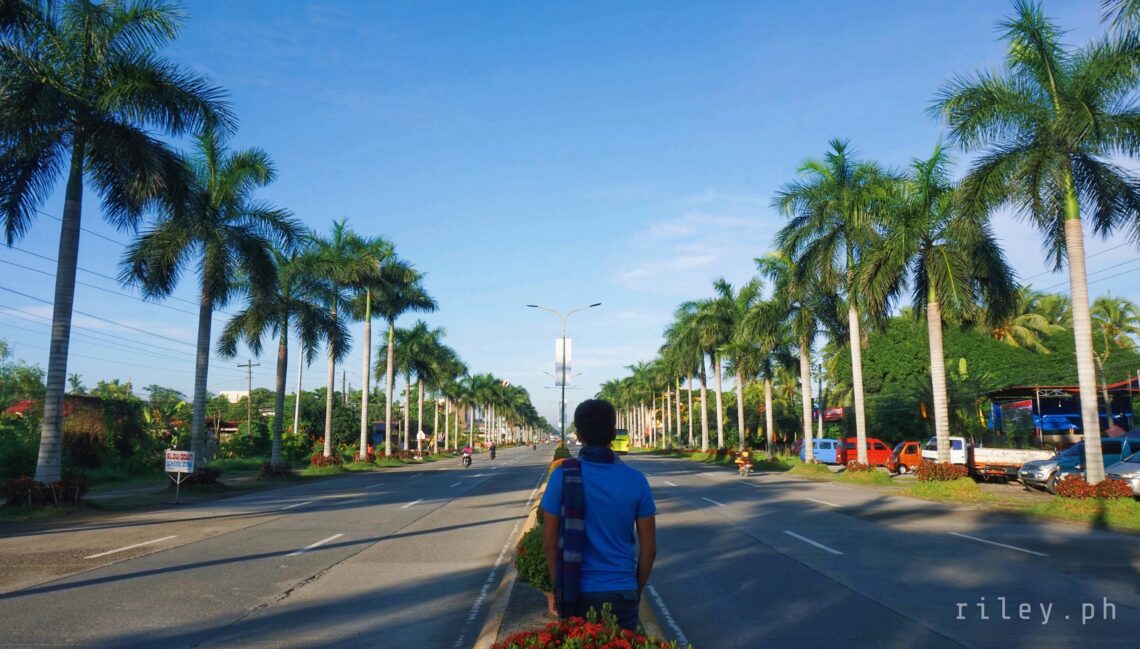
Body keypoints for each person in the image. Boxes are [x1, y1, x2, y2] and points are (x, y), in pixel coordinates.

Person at [541, 399, 656, 631]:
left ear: (579, 435)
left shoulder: (562, 476)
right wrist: (634, 590)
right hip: (622, 591)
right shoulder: (637, 481)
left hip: (575, 592)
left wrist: (559, 586)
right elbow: (649, 551)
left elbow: (549, 542)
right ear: (613, 434)